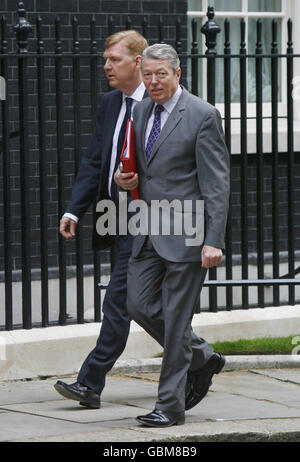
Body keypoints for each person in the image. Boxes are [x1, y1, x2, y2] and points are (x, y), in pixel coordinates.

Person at [115, 43, 230, 427]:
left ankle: (170, 406)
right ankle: (202, 356)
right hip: (147, 231)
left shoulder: (202, 115)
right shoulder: (141, 109)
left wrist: (213, 239)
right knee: (138, 306)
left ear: (177, 74)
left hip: (188, 234)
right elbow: (143, 170)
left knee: (177, 322)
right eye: (147, 75)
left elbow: (216, 185)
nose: (153, 82)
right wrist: (122, 179)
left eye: (160, 74)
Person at [53, 30, 149, 409]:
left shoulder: (160, 104)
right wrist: (74, 209)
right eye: (105, 60)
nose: (106, 66)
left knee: (119, 300)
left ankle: (90, 383)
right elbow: (95, 160)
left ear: (137, 62)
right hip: (117, 216)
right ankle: (199, 358)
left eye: (114, 59)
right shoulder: (111, 102)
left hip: (149, 217)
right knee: (146, 305)